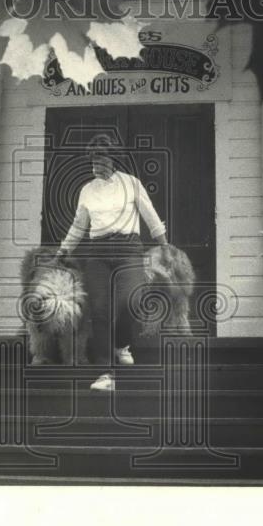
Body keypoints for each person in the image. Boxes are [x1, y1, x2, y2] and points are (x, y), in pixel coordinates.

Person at [55, 133, 168, 391]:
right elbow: (78, 225)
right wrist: (62, 252)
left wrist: (165, 245)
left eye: (102, 159)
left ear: (112, 159)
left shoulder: (131, 184)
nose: (97, 165)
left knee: (131, 300)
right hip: (98, 252)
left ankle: (122, 343)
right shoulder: (87, 190)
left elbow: (150, 216)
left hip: (128, 248)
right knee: (100, 309)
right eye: (94, 160)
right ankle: (105, 373)